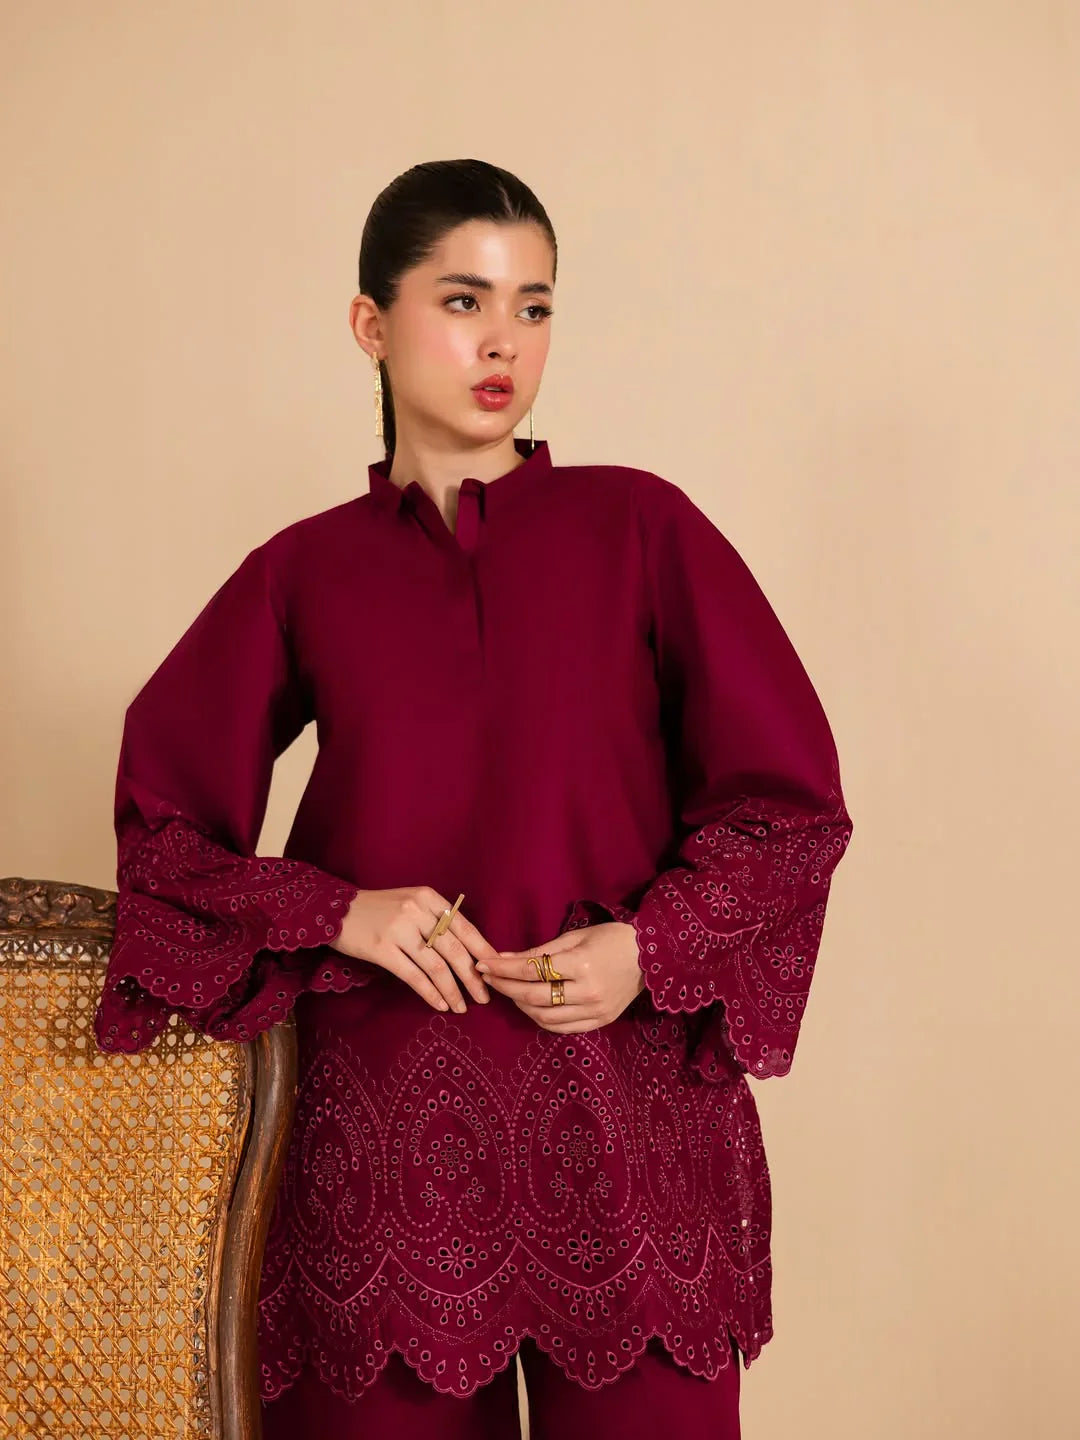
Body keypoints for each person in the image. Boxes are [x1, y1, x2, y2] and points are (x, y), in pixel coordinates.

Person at [93, 158, 853, 1440]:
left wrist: (647, 948)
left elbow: (790, 810)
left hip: (624, 1128)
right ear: (370, 323)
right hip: (385, 1162)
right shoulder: (303, 572)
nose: (504, 340)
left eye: (534, 307)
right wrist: (338, 911)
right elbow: (163, 842)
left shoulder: (641, 529)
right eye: (463, 301)